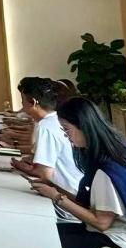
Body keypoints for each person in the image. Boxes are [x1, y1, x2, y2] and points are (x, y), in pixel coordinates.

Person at [31, 97, 126, 248]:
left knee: (43, 243)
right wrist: (53, 188)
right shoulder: (115, 153)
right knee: (41, 232)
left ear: (84, 126)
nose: (66, 135)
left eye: (67, 129)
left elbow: (101, 222)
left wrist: (57, 197)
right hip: (119, 236)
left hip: (123, 245)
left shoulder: (107, 171)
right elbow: (90, 205)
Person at [9, 77, 83, 220]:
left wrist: (23, 167)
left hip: (66, 202)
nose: (22, 106)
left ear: (33, 102)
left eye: (23, 101)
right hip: (75, 192)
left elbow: (45, 176)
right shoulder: (56, 119)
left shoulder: (45, 126)